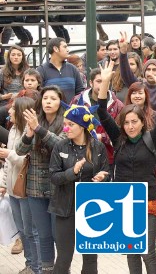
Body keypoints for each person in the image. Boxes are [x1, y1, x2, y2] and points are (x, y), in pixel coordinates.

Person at [98, 59, 156, 274]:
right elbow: (102, 112)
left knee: (147, 251)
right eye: (127, 122)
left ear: (142, 122)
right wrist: (105, 82)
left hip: (148, 201)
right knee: (131, 250)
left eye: (135, 122)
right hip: (123, 201)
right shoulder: (118, 138)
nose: (130, 126)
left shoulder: (152, 138)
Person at [49, 103, 110, 274]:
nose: (66, 128)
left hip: (91, 209)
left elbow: (107, 173)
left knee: (90, 258)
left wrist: (102, 178)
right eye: (65, 123)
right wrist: (72, 172)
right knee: (63, 258)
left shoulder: (98, 147)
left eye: (71, 124)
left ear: (82, 126)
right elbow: (53, 177)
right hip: (65, 209)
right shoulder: (60, 146)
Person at [16, 85, 68, 272]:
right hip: (35, 186)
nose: (48, 102)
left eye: (53, 99)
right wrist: (29, 134)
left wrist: (37, 129)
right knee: (44, 235)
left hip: (59, 186)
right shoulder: (34, 121)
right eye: (45, 98)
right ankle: (46, 270)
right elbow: (20, 151)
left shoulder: (66, 122)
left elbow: (61, 146)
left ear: (60, 102)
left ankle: (62, 269)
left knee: (58, 235)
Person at [0, 97, 39, 274]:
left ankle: (38, 267)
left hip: (26, 188)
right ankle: (29, 264)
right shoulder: (13, 129)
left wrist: (10, 154)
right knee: (22, 231)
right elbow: (8, 164)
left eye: (12, 109)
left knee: (31, 231)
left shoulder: (32, 132)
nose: (8, 111)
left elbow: (27, 159)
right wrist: (3, 184)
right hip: (12, 189)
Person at [71, 68, 124, 171]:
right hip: (81, 154)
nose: (103, 84)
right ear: (91, 82)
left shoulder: (118, 105)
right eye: (99, 81)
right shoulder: (77, 101)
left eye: (106, 81)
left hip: (108, 156)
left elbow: (121, 132)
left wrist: (102, 137)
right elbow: (69, 124)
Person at [37, 37, 84, 103]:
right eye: (65, 47)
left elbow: (80, 92)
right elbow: (38, 94)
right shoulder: (41, 70)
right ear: (55, 49)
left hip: (71, 112)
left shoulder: (72, 69)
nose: (68, 50)